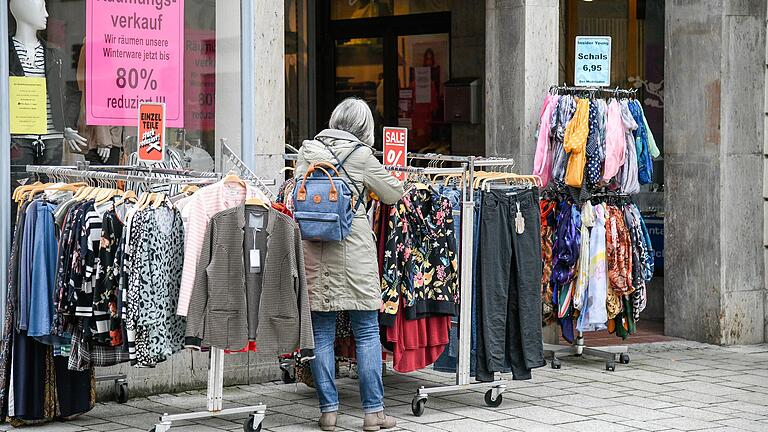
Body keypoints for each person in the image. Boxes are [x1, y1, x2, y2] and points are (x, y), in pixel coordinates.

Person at [296, 98, 404, 431]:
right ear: (363, 128)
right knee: (367, 332)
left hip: (315, 247)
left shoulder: (307, 152)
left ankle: (329, 412)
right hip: (354, 248)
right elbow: (392, 193)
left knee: (322, 333)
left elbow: (295, 194)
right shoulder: (361, 156)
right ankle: (373, 413)